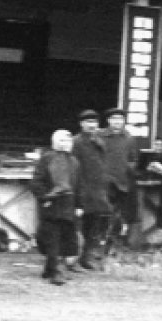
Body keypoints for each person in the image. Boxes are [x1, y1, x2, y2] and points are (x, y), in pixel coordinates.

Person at [30, 129, 81, 285]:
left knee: (65, 238)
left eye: (68, 140)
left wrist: (79, 205)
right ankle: (56, 272)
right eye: (62, 140)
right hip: (52, 205)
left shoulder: (74, 162)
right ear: (55, 143)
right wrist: (45, 197)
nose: (66, 144)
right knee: (52, 239)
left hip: (68, 206)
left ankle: (50, 268)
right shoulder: (47, 158)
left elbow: (78, 185)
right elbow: (36, 181)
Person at [71, 109, 111, 270]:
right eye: (88, 122)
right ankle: (72, 260)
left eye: (94, 122)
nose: (92, 125)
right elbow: (73, 167)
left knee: (93, 227)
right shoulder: (75, 142)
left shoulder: (100, 142)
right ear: (81, 124)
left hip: (97, 191)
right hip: (81, 190)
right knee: (77, 227)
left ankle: (86, 258)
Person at [100, 107, 141, 251]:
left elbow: (134, 159)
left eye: (120, 119)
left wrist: (129, 168)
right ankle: (100, 245)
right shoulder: (100, 136)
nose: (117, 122)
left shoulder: (129, 138)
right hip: (104, 183)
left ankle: (114, 245)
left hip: (123, 184)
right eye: (114, 119)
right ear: (108, 120)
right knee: (103, 214)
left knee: (120, 216)